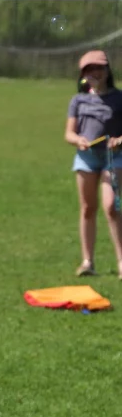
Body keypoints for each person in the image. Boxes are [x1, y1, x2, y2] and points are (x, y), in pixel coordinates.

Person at [65, 49, 122, 279]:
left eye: (99, 68)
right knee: (88, 208)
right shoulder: (78, 100)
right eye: (89, 70)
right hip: (87, 158)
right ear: (83, 75)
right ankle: (87, 261)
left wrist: (119, 140)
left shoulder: (119, 98)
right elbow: (68, 133)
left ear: (108, 71)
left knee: (112, 206)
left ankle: (121, 262)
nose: (94, 73)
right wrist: (78, 140)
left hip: (113, 157)